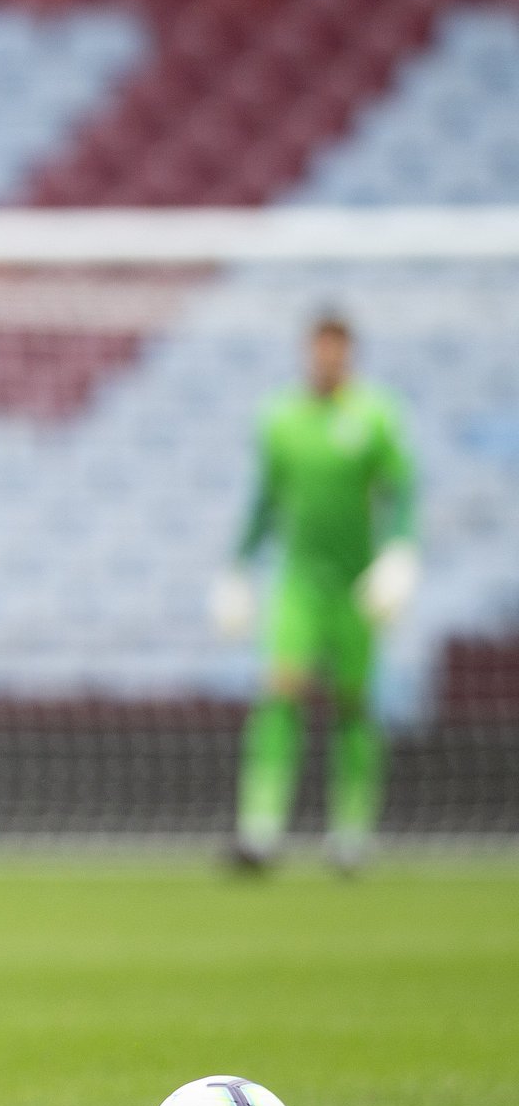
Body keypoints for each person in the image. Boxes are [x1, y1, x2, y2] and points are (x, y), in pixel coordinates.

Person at [212, 313, 416, 871]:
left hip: (356, 583)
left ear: (349, 355)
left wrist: (400, 551)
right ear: (307, 353)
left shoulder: (375, 415)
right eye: (318, 351)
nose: (326, 361)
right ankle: (260, 831)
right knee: (280, 693)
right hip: (298, 581)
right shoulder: (281, 419)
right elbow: (265, 499)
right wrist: (238, 564)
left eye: (336, 352)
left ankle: (351, 837)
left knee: (354, 704)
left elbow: (403, 491)